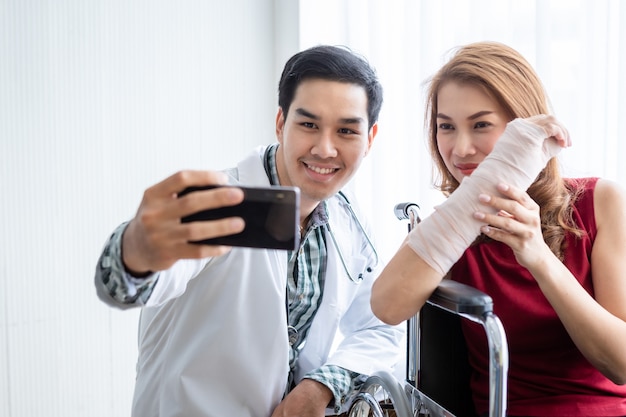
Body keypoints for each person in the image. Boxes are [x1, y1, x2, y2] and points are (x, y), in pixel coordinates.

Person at [94, 45, 403, 417]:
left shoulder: (347, 219)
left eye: (346, 131)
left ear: (370, 138)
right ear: (280, 123)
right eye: (308, 124)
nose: (325, 148)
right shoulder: (222, 201)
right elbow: (136, 281)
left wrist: (320, 386)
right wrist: (134, 253)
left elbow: (380, 326)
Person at [371, 41, 626, 416]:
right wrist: (467, 209)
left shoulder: (599, 202)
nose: (460, 149)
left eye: (481, 125)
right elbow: (386, 307)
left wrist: (539, 256)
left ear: (523, 128)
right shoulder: (448, 229)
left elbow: (619, 364)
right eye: (446, 127)